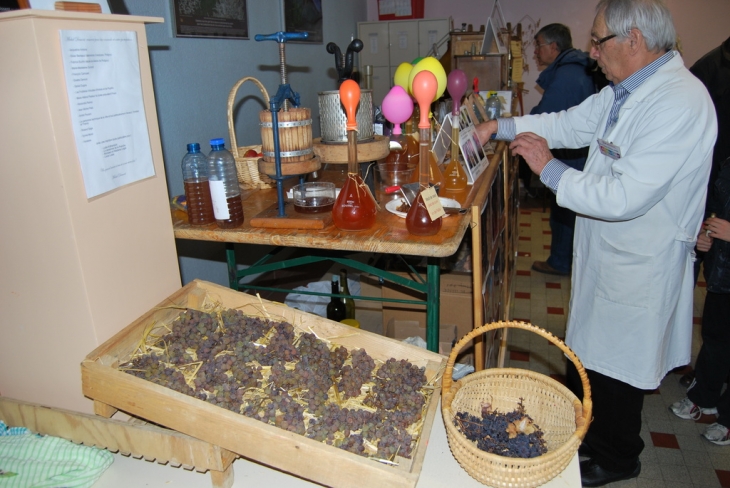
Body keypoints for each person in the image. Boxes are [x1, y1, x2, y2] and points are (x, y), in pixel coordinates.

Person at [475, 0, 717, 485]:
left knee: (619, 367)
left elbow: (626, 195)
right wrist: (498, 127)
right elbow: (569, 124)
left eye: (599, 40)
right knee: (590, 357)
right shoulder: (625, 91)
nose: (591, 51)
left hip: (640, 260)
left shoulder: (680, 102)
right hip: (610, 251)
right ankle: (586, 436)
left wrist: (550, 169)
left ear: (634, 41)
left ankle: (618, 457)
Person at [678, 35, 730, 387]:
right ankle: (707, 379)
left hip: (713, 193)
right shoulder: (712, 68)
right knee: (715, 314)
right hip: (713, 191)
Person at [527, 23, 597, 276]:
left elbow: (547, 117)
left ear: (554, 47)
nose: (536, 51)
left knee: (565, 208)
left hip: (573, 156)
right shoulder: (573, 68)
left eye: (539, 45)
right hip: (579, 151)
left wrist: (517, 125)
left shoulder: (568, 74)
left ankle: (560, 261)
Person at [669, 156, 730, 446]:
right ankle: (703, 397)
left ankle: (727, 419)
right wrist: (707, 236)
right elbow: (718, 209)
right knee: (714, 338)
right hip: (723, 273)